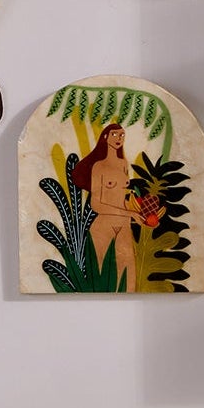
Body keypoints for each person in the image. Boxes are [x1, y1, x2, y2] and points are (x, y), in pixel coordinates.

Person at [70, 123, 138, 290]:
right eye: (115, 134)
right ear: (105, 137)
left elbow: (123, 198)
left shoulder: (123, 163)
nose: (119, 139)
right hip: (103, 226)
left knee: (128, 278)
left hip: (124, 225)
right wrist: (127, 213)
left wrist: (137, 212)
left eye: (122, 135)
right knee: (103, 277)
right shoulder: (99, 166)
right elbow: (96, 204)